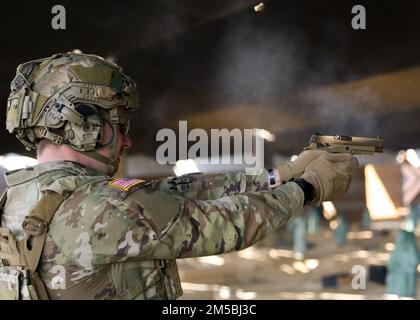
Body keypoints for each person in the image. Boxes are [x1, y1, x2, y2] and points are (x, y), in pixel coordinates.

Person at [0, 52, 358, 300]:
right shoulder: (102, 208)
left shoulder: (24, 196)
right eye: (119, 125)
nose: (127, 140)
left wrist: (282, 174)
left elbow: (170, 191)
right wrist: (308, 188)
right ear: (83, 125)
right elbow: (227, 224)